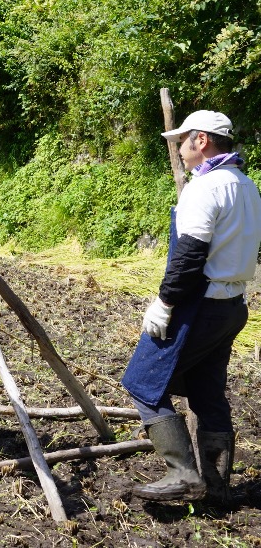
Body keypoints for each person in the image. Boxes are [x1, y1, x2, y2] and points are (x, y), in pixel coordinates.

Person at [122, 110, 261, 504]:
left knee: (143, 384)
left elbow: (190, 255)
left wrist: (164, 303)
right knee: (207, 393)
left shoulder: (205, 187)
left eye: (182, 141)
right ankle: (218, 487)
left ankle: (182, 474)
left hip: (198, 305)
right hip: (232, 305)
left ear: (201, 140)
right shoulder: (247, 186)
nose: (179, 150)